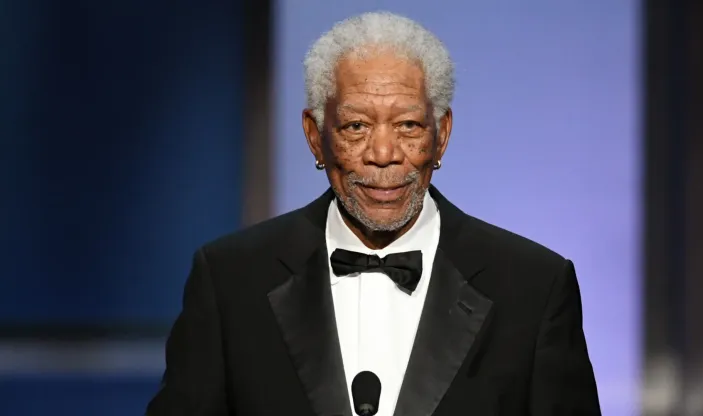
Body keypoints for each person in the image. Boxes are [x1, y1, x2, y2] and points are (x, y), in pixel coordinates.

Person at [147, 11, 601, 416]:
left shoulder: (532, 287)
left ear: (441, 135)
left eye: (408, 125)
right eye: (356, 126)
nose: (383, 154)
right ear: (315, 136)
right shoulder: (231, 280)